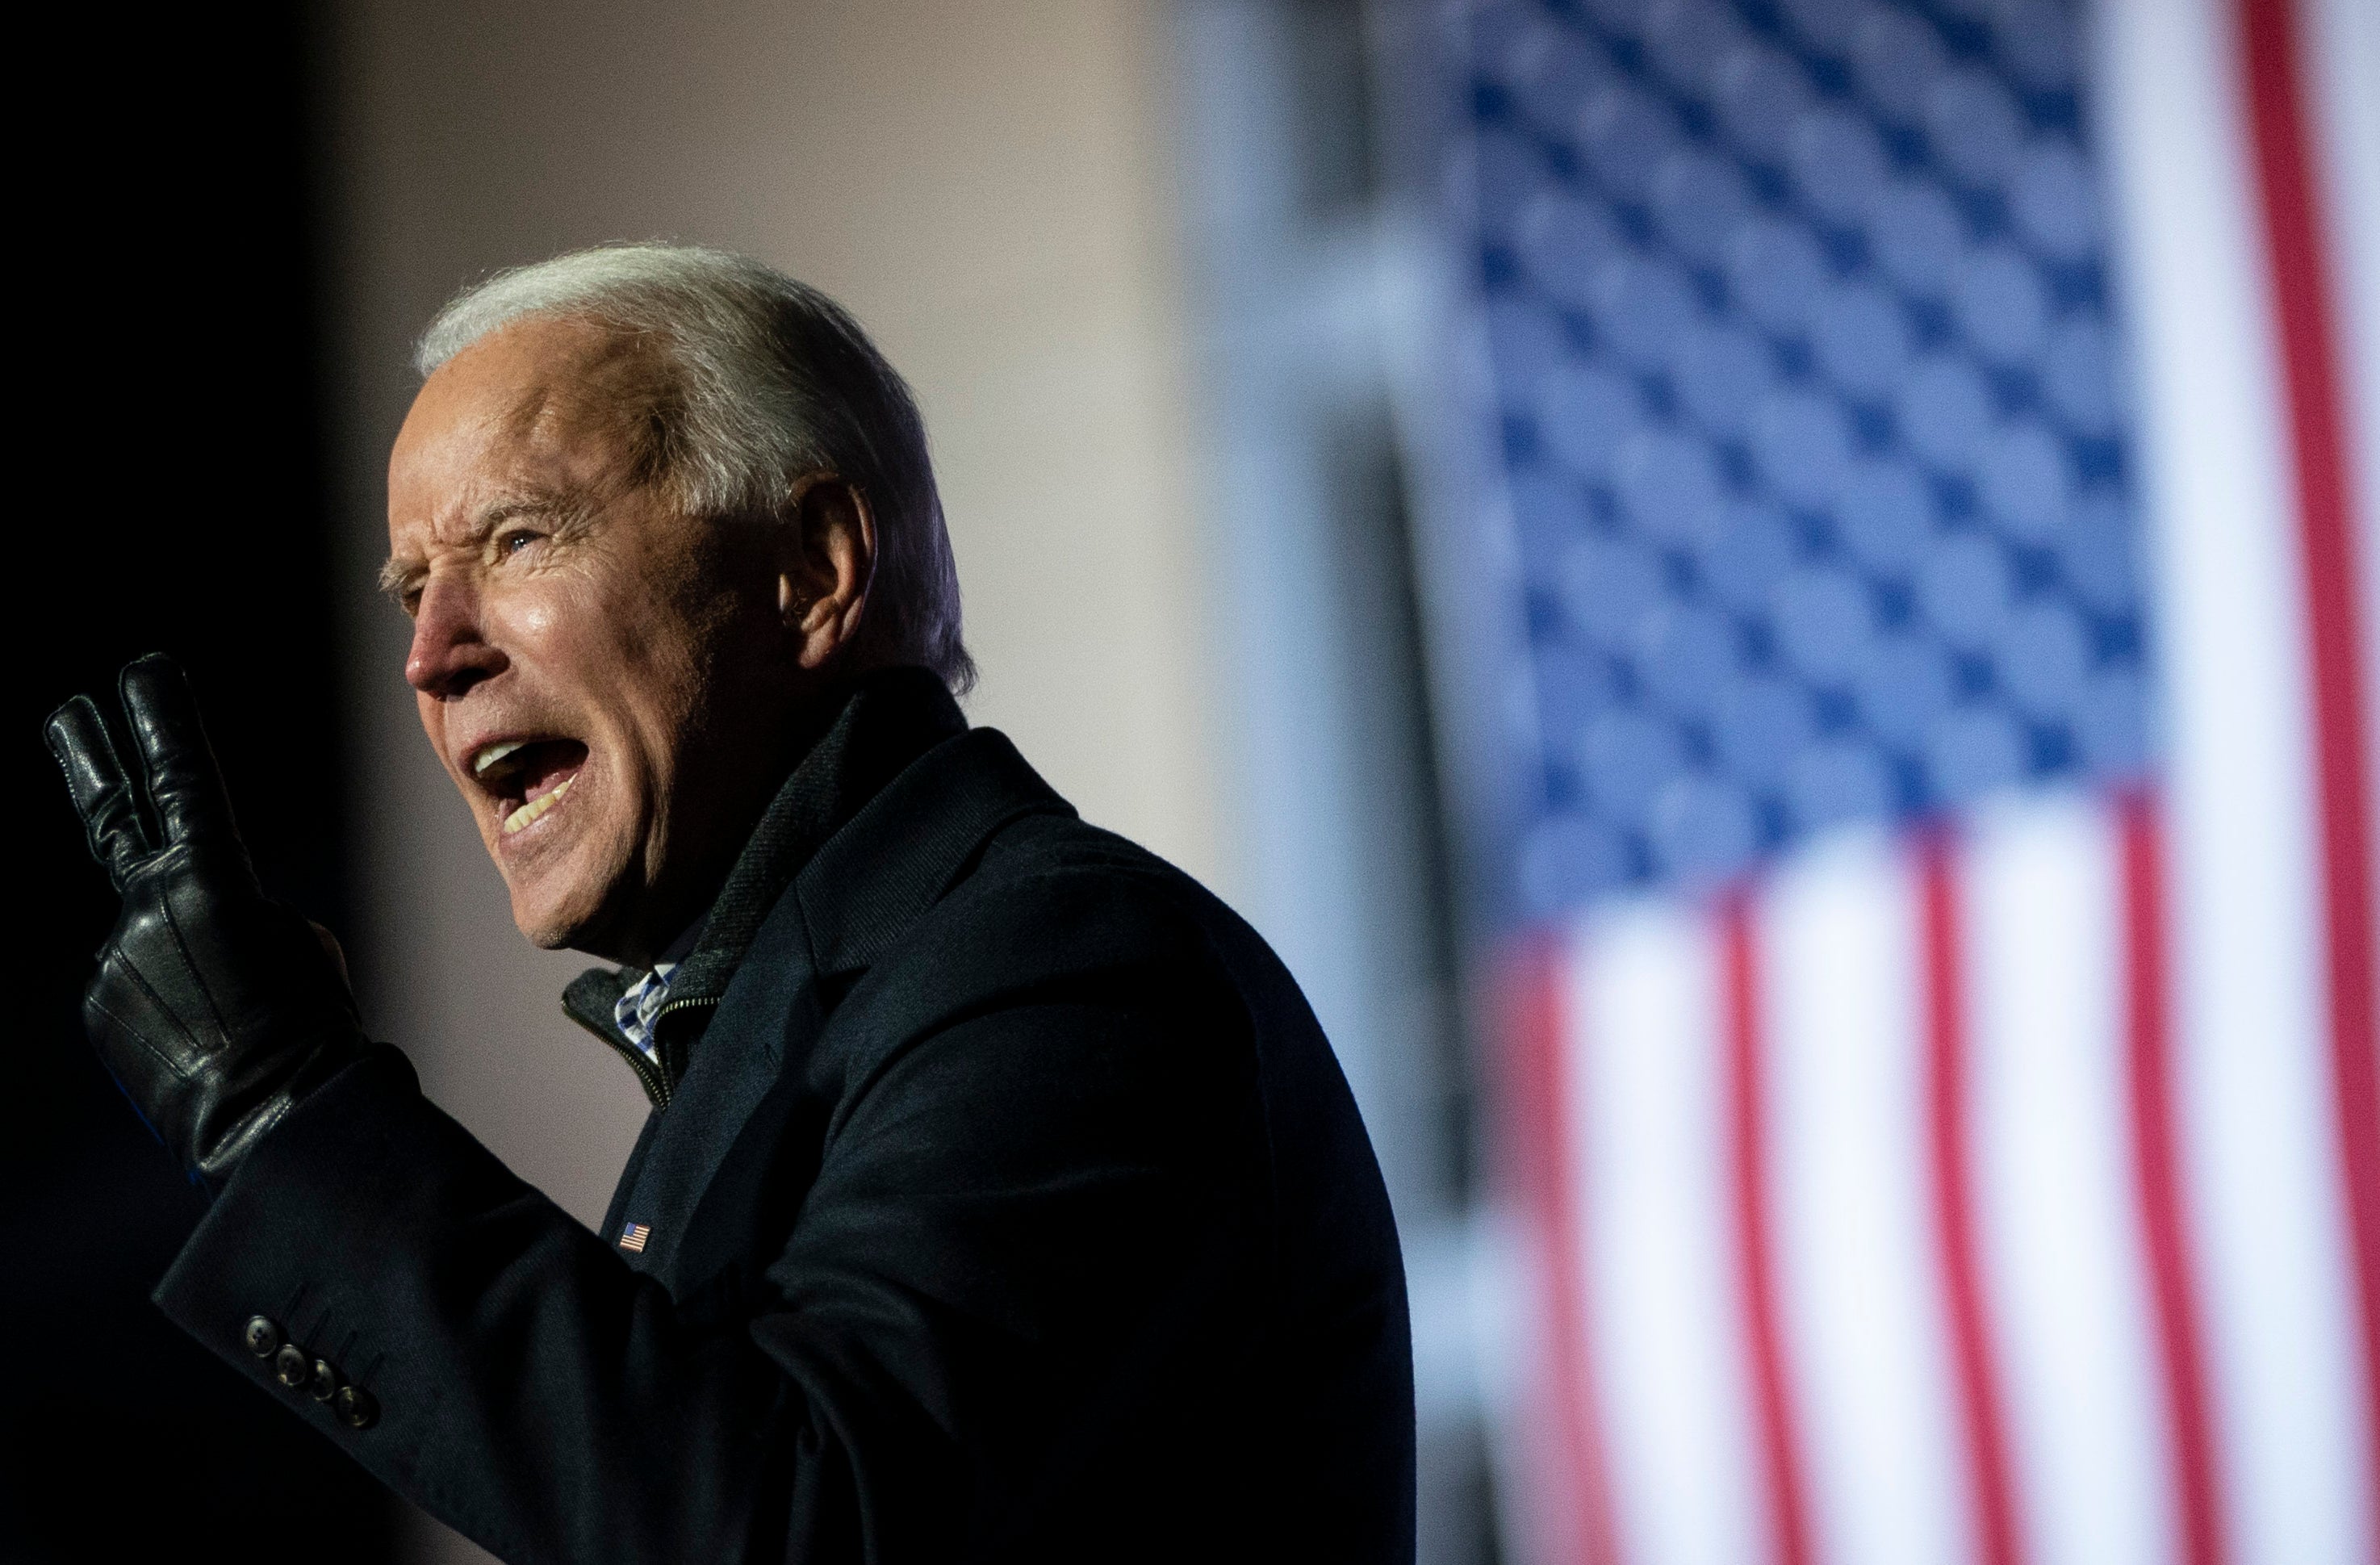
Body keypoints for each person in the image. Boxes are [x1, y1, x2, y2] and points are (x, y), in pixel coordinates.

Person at [46, 245, 1414, 1563]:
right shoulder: (773, 1050)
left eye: (516, 539)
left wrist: (284, 1105)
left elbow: (800, 1524)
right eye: (412, 588)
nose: (430, 654)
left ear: (812, 570)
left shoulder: (1060, 966)